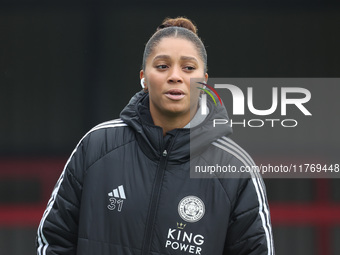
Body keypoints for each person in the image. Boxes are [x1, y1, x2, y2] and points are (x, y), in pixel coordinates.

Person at [36, 17, 274, 255]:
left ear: (204, 81)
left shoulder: (235, 168)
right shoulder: (97, 146)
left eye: (189, 68)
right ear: (144, 78)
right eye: (162, 66)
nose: (175, 76)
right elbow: (54, 239)